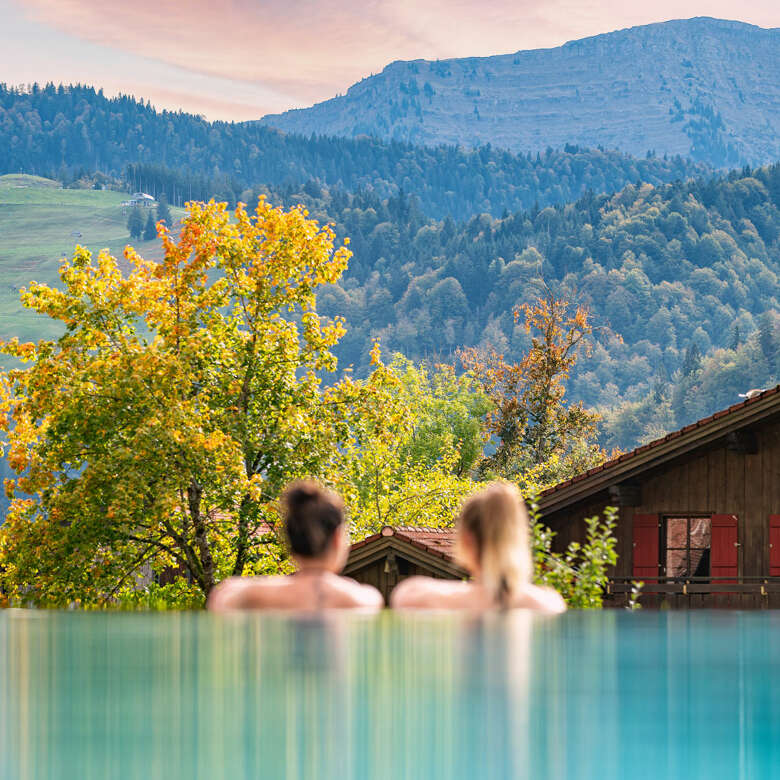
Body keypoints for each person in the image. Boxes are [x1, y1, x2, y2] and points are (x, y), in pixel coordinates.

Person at [390, 482, 566, 613]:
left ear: (466, 540)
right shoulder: (548, 604)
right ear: (517, 539)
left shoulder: (419, 597)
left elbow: (401, 596)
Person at [208, 480, 383, 611]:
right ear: (337, 538)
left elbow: (219, 598)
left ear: (289, 540)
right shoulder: (361, 598)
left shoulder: (248, 595)